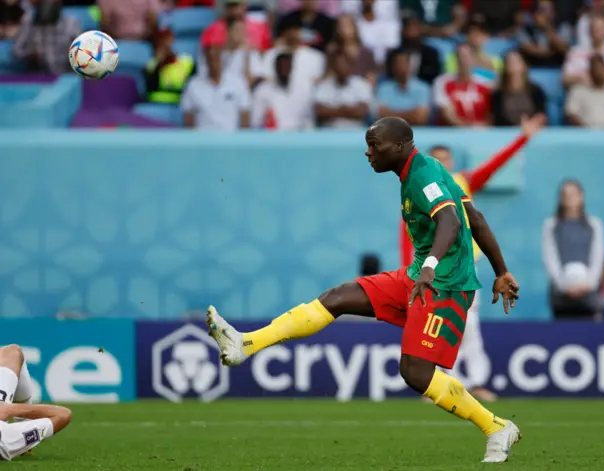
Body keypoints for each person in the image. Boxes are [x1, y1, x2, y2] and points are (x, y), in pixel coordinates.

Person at [207, 116, 522, 464]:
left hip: (446, 286)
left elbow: (449, 220)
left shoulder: (423, 175)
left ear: (400, 147)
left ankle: (496, 427)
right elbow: (473, 217)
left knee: (415, 373)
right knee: (337, 297)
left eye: (376, 146)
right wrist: (502, 271)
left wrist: (432, 267)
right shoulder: (422, 170)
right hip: (418, 276)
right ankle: (244, 344)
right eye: (367, 145)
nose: (369, 153)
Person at [401, 114, 545, 402]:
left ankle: (475, 381)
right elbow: (408, 233)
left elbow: (493, 166)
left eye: (445, 159)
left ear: (450, 162)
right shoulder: (420, 188)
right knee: (435, 325)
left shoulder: (460, 183)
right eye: (436, 158)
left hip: (464, 268)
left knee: (468, 326)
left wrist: (522, 138)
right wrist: (411, 268)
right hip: (431, 270)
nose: (441, 163)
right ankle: (440, 384)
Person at [542, 179, 604, 320]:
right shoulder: (551, 225)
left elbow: (597, 257)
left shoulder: (594, 225)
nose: (569, 198)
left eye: (573, 194)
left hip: (589, 296)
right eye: (565, 194)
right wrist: (564, 285)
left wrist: (588, 284)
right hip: (561, 297)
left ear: (581, 196)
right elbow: (550, 258)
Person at [0, 344, 72, 461]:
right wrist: (9, 409)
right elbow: (63, 414)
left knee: (13, 352)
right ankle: (22, 423)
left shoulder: (6, 440)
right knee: (13, 352)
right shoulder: (7, 440)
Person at [491, 50, 547, 127]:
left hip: (532, 130)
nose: (513, 64)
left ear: (524, 64)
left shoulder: (536, 90)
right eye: (509, 61)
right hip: (505, 132)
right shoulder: (498, 93)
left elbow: (541, 115)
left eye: (516, 61)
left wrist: (531, 124)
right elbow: (495, 118)